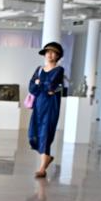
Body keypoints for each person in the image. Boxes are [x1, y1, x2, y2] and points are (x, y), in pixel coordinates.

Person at [27, 42, 65, 178]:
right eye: (48, 52)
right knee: (34, 133)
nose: (50, 54)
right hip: (38, 106)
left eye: (53, 52)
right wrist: (41, 85)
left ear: (58, 55)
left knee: (46, 133)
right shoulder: (39, 69)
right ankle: (47, 158)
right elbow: (32, 88)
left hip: (51, 105)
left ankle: (42, 168)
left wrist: (40, 84)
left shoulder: (59, 70)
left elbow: (51, 86)